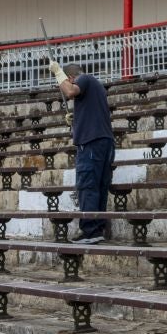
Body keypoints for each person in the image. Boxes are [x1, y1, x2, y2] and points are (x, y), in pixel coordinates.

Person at [57, 63, 115, 244]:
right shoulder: (95, 86)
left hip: (91, 144)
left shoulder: (84, 79)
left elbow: (70, 92)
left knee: (87, 186)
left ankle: (90, 231)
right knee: (98, 187)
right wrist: (76, 121)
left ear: (71, 77)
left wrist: (59, 74)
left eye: (67, 79)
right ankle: (97, 228)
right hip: (103, 142)